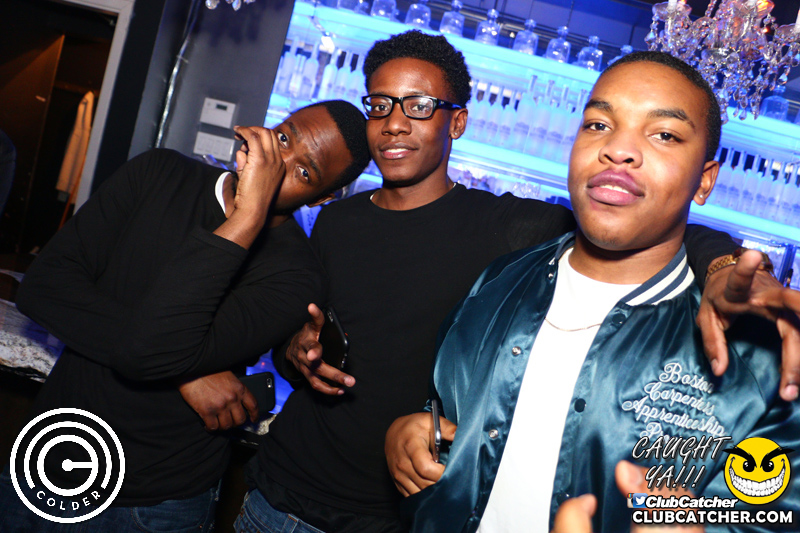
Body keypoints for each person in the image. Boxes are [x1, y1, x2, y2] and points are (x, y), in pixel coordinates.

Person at [237, 31, 796, 533]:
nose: (395, 123)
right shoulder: (486, 280)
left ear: (457, 122)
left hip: (375, 518)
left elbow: (639, 216)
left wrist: (722, 265)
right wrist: (312, 363)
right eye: (599, 124)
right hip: (282, 490)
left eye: (665, 135)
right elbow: (450, 406)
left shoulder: (507, 233)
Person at [0, 100, 370, 532]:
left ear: (322, 198)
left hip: (155, 501)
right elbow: (43, 287)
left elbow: (148, 351)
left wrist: (248, 216)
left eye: (304, 172)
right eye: (284, 138)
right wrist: (189, 374)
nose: (277, 164)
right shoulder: (158, 172)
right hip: (49, 457)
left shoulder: (296, 275)